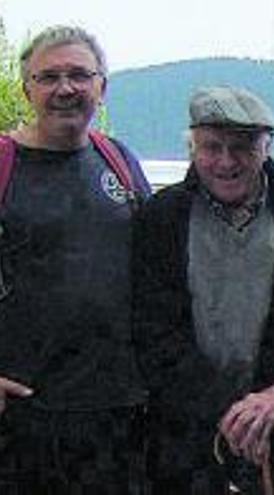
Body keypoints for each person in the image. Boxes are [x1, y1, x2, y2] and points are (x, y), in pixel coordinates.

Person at [132, 85, 274, 494]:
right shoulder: (162, 219)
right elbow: (152, 330)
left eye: (242, 148)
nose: (226, 161)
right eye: (212, 147)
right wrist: (226, 410)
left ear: (266, 148)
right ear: (193, 147)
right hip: (187, 442)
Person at [0, 25, 151, 493]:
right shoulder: (5, 163)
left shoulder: (118, 161)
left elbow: (159, 271)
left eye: (79, 75)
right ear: (27, 89)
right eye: (49, 77)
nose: (65, 88)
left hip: (120, 412)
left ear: (101, 87)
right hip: (26, 416)